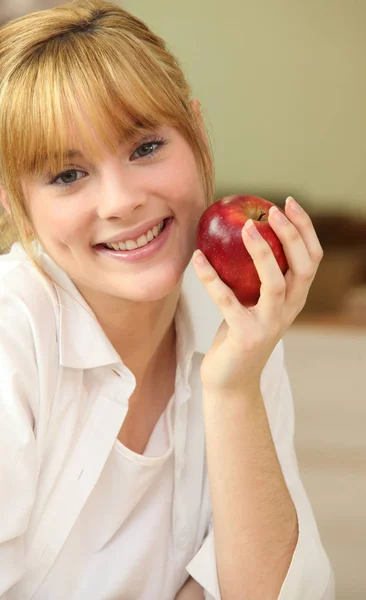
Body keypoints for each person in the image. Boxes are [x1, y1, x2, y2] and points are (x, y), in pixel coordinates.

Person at [0, 1, 335, 598]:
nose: (121, 201)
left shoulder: (234, 323)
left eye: (146, 147)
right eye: (67, 175)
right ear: (11, 202)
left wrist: (234, 387)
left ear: (198, 134)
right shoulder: (12, 335)